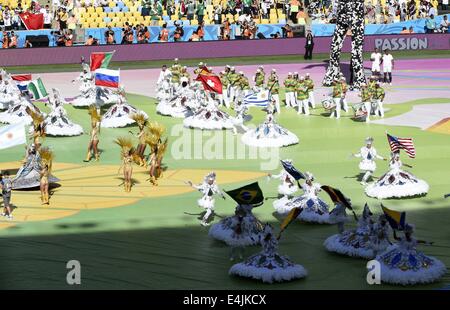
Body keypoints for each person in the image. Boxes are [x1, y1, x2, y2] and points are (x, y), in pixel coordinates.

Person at [229, 223, 308, 283]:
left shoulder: (266, 239)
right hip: (269, 254)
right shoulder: (267, 239)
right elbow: (273, 244)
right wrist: (276, 239)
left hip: (269, 254)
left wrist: (276, 238)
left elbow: (272, 244)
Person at [376, 223, 446, 285]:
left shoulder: (413, 239)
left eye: (408, 233)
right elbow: (395, 238)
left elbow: (420, 241)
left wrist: (428, 242)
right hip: (401, 252)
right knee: (394, 262)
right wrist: (394, 230)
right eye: (406, 233)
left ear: (410, 233)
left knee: (419, 263)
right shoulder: (402, 238)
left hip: (411, 253)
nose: (407, 234)